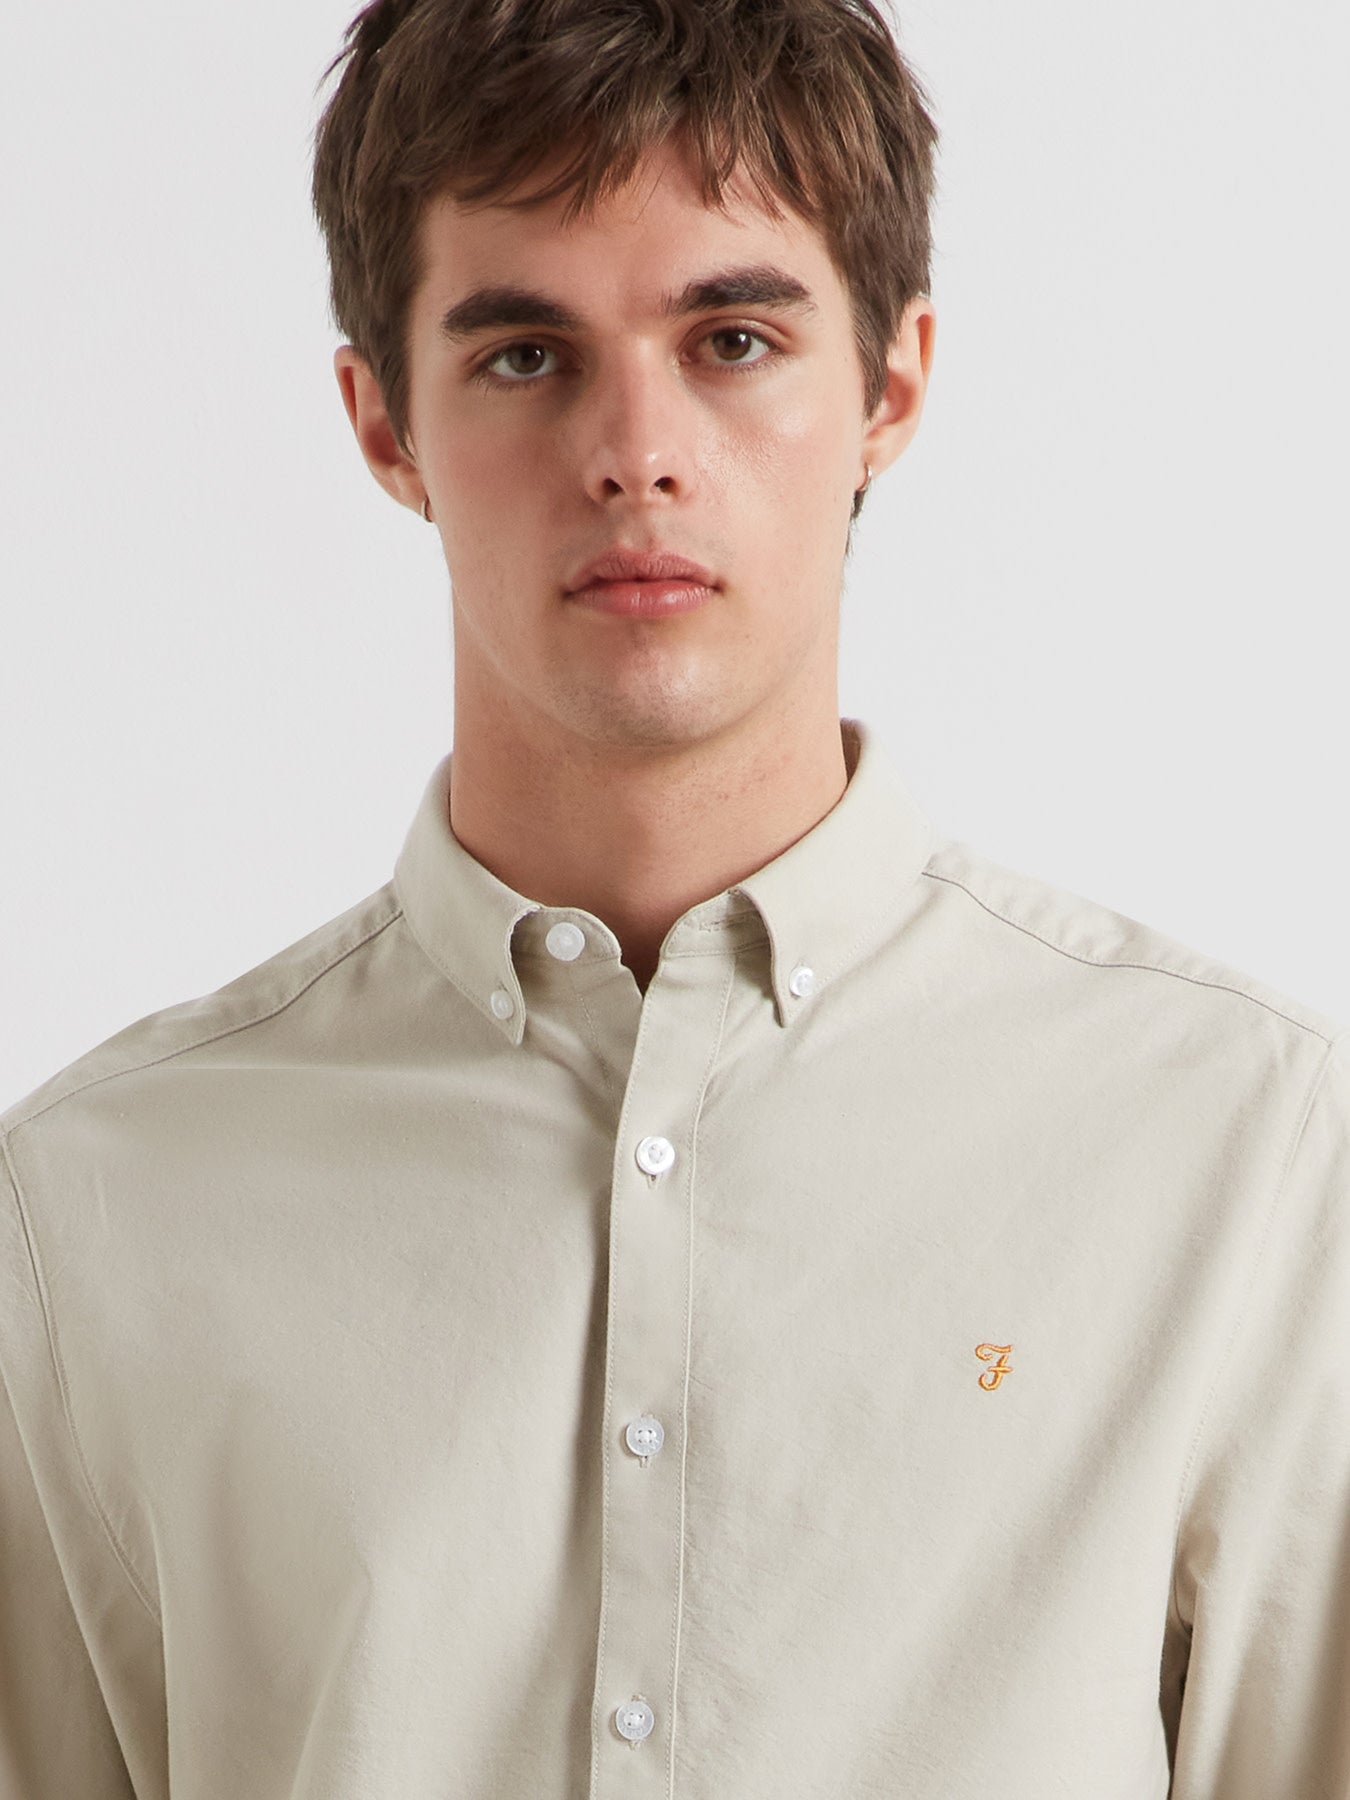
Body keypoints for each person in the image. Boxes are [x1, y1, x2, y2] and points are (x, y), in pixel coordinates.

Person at [1, 0, 1346, 1793]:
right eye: (524, 355)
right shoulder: (95, 1215)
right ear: (383, 424)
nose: (634, 450)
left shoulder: (1237, 1156)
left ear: (888, 387)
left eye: (730, 340)